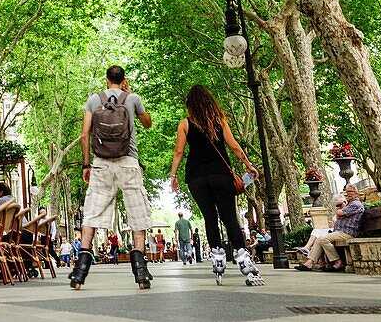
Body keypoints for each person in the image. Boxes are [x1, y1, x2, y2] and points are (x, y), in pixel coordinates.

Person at [68, 65, 154, 290]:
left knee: (92, 214)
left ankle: (79, 273)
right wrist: (132, 95)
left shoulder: (93, 100)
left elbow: (84, 135)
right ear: (123, 80)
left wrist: (86, 164)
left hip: (101, 163)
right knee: (137, 214)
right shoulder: (133, 98)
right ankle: (141, 273)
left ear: (107, 80)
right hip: (128, 162)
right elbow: (148, 123)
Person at [169, 84, 264, 286]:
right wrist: (248, 164)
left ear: (190, 105)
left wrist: (173, 175)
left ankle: (218, 256)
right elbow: (234, 146)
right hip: (221, 174)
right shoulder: (219, 121)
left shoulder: (185, 124)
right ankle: (243, 258)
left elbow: (178, 152)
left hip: (196, 177)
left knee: (210, 218)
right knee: (229, 217)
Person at [295, 185, 364, 272]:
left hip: (348, 233)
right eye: (347, 192)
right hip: (340, 232)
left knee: (323, 239)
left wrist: (340, 212)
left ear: (356, 193)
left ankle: (338, 262)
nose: (349, 194)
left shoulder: (356, 204)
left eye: (351, 192)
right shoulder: (349, 204)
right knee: (320, 239)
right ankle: (310, 262)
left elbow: (339, 213)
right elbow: (339, 214)